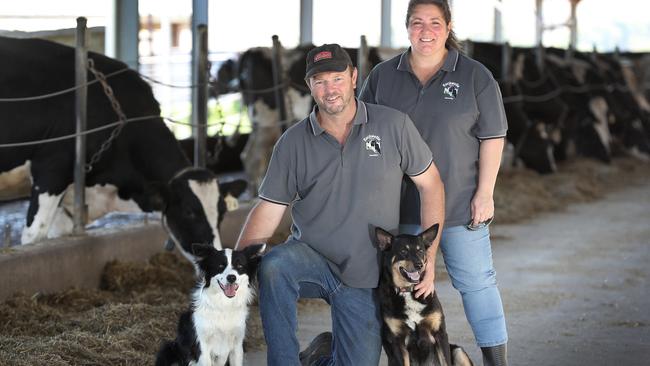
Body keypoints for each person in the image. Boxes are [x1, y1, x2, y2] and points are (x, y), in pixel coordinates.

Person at [235, 43, 445, 366]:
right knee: (274, 266)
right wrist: (234, 268)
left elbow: (431, 184)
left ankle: (319, 357)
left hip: (366, 275)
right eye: (320, 81)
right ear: (309, 86)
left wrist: (429, 258)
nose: (329, 89)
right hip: (312, 257)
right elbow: (268, 209)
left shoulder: (393, 125)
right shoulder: (292, 142)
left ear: (354, 77)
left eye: (337, 78)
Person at [359, 1, 509, 365]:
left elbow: (493, 136)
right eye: (416, 23)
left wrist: (485, 194)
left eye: (434, 23)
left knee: (477, 283)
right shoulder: (382, 75)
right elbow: (361, 128)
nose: (425, 31)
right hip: (397, 213)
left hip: (460, 206)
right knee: (382, 291)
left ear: (448, 26)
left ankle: (497, 361)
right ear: (406, 26)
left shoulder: (475, 76)